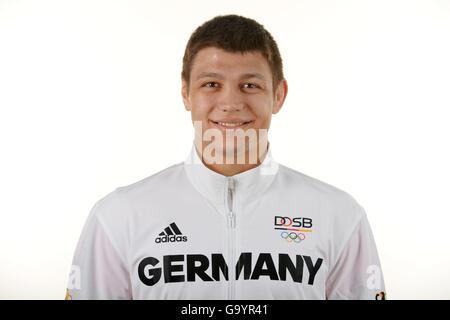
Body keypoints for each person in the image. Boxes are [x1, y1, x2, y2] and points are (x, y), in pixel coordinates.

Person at [65, 14, 386, 300]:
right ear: (185, 93)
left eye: (249, 85)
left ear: (279, 95)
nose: (230, 102)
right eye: (211, 84)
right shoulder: (119, 216)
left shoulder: (339, 216)